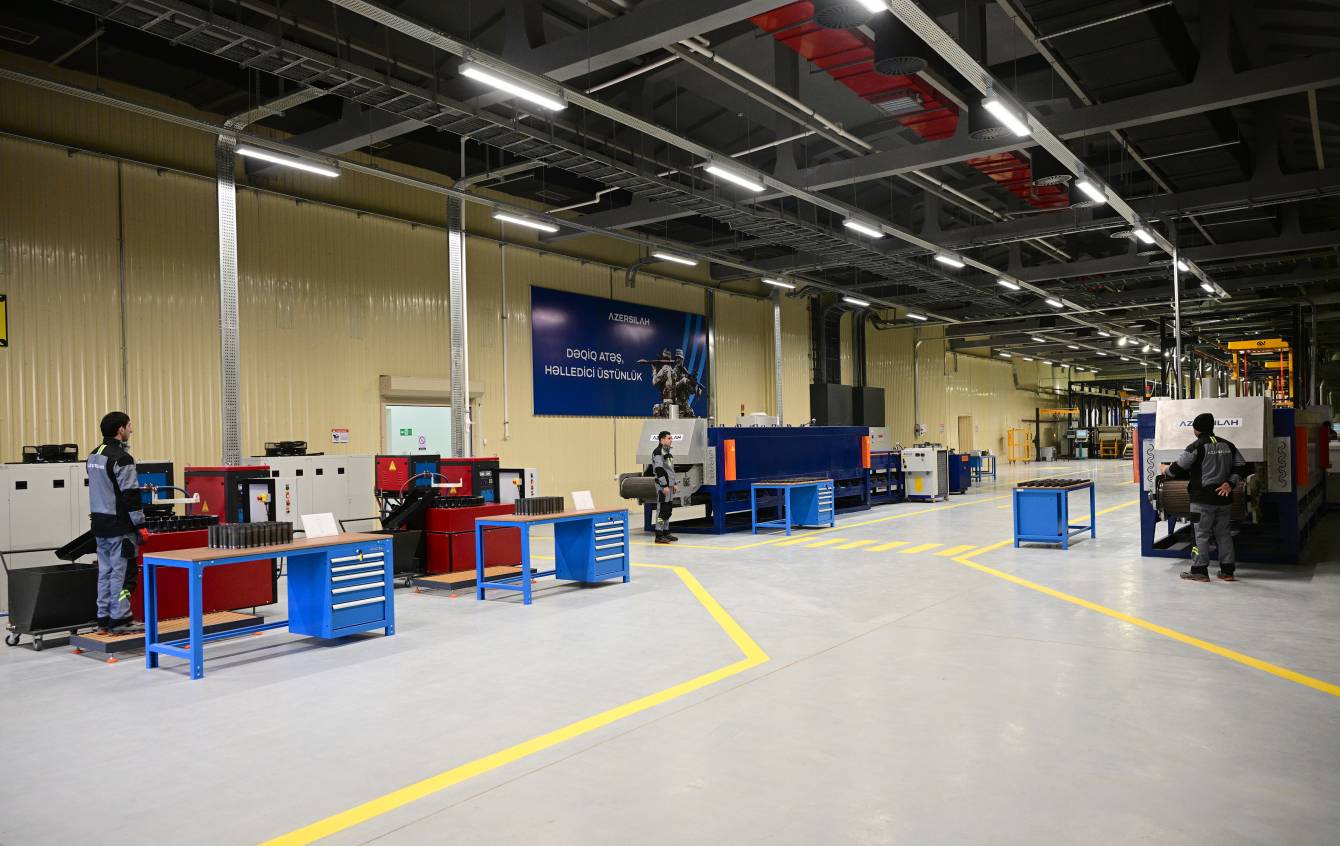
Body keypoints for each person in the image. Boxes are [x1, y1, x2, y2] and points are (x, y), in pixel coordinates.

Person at [1166, 412, 1249, 582]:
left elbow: (1176, 469)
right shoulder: (1228, 445)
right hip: (1224, 498)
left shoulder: (1196, 446)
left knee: (1200, 535)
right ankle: (1227, 571)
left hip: (1202, 500)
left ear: (1196, 429)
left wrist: (1165, 470)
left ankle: (1200, 570)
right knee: (1224, 534)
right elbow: (1241, 466)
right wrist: (1230, 483)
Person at [87, 411, 145, 633]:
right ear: (120, 429)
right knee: (121, 573)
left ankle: (103, 619)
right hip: (120, 527)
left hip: (100, 525)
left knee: (105, 572)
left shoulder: (93, 456)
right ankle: (120, 619)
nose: (132, 430)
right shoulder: (122, 459)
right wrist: (140, 524)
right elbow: (130, 494)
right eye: (129, 426)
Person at [649, 430, 679, 544]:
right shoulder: (658, 452)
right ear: (662, 440)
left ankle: (666, 532)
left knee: (668, 509)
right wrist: (664, 485)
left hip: (670, 485)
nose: (671, 440)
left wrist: (674, 483)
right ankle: (659, 534)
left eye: (671, 438)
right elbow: (659, 469)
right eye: (669, 438)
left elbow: (670, 470)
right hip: (663, 486)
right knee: (662, 510)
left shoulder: (668, 452)